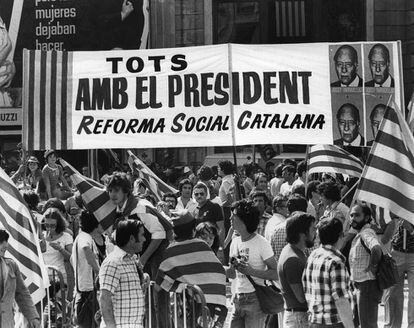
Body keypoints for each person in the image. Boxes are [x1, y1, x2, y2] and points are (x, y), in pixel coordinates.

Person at [155, 211, 227, 327]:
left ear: (174, 232)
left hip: (193, 306)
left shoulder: (170, 251)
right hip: (215, 303)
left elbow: (159, 285)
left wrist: (179, 286)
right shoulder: (202, 246)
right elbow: (218, 272)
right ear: (193, 229)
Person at [107, 173, 171, 278]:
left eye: (116, 190)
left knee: (156, 291)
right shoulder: (119, 210)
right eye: (110, 191)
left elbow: (160, 234)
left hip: (158, 255)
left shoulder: (140, 207)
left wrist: (143, 259)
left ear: (126, 191)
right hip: (141, 255)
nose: (112, 195)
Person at [228, 199, 278, 328]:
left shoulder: (261, 243)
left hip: (255, 299)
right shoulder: (235, 242)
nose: (230, 218)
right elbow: (232, 275)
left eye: (233, 216)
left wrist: (251, 272)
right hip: (238, 298)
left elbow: (276, 272)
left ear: (244, 219)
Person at [302, 218, 354, 328]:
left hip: (314, 321)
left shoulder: (313, 255)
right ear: (340, 235)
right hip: (333, 323)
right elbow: (341, 301)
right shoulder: (336, 263)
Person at [99, 219, 149, 328]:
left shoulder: (132, 259)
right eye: (142, 235)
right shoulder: (112, 263)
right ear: (131, 239)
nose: (144, 239)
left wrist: (143, 278)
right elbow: (105, 298)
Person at [278, 213, 316, 328]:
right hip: (298, 318)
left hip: (299, 316)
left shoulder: (295, 252)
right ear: (303, 234)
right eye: (313, 229)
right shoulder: (292, 259)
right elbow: (300, 297)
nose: (316, 233)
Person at [348, 204, 383, 328]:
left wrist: (373, 266)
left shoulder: (366, 232)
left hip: (367, 285)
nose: (352, 218)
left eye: (357, 215)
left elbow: (376, 249)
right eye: (351, 215)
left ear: (367, 217)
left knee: (368, 325)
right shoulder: (360, 233)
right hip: (359, 285)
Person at [0, 230, 40, 328]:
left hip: (6, 322)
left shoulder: (11, 266)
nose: (5, 245)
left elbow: (22, 293)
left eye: (4, 250)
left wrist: (33, 317)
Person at [71, 211, 102, 328]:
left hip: (84, 289)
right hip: (86, 291)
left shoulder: (82, 236)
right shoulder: (85, 237)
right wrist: (99, 271)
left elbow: (71, 258)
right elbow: (85, 248)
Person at [384, 218, 414, 328]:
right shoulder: (400, 207)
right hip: (397, 253)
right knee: (393, 293)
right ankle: (392, 325)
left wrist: (411, 230)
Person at [42, 208, 73, 286]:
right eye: (46, 225)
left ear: (59, 224)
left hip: (60, 277)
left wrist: (61, 249)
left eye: (52, 225)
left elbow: (72, 258)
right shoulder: (41, 236)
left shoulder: (66, 237)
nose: (49, 228)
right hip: (43, 277)